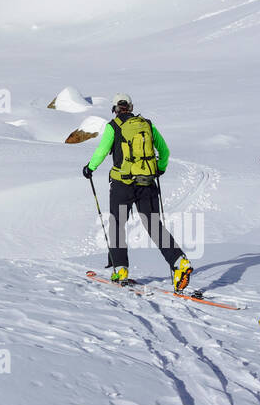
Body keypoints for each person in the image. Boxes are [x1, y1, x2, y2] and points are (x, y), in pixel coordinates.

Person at [82, 93, 192, 291]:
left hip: (121, 185)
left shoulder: (112, 126)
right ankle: (179, 262)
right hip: (147, 182)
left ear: (115, 108)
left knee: (117, 225)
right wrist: (160, 168)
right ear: (131, 107)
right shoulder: (147, 125)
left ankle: (121, 270)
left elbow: (101, 151)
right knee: (154, 226)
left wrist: (90, 168)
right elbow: (164, 151)